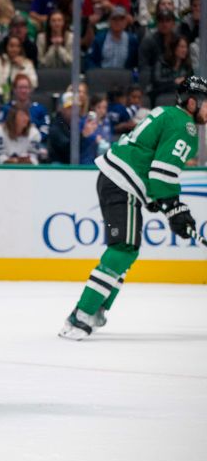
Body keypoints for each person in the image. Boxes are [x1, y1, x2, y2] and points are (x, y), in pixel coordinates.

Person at [59, 76, 207, 340]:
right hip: (122, 182)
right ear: (193, 102)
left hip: (116, 178)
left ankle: (97, 308)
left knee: (128, 249)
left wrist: (159, 201)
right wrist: (174, 206)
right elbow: (162, 173)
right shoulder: (186, 126)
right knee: (123, 249)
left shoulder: (167, 113)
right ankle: (82, 314)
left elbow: (149, 160)